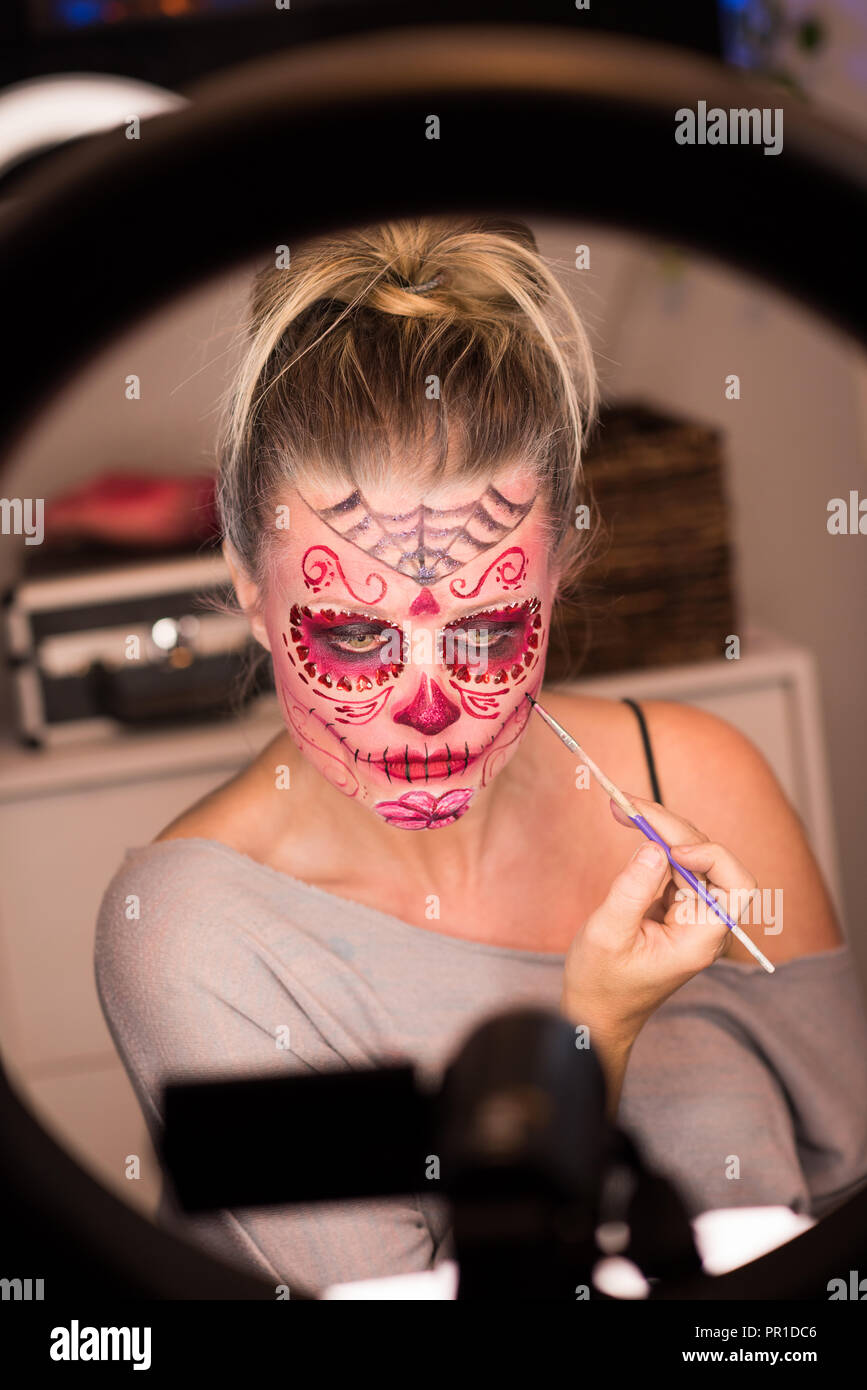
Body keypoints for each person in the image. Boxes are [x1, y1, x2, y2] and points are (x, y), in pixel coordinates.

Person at [95, 216, 867, 1295]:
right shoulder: (192, 940)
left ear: (559, 574)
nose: (426, 709)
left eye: (490, 629)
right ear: (246, 583)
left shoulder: (701, 780)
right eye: (356, 634)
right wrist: (589, 1037)